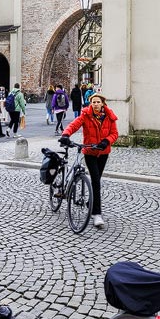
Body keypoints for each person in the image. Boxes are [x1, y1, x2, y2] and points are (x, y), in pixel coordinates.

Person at [60, 93, 118, 229]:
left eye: (98, 102)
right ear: (91, 103)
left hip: (103, 152)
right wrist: (66, 134)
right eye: (93, 102)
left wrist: (106, 141)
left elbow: (114, 134)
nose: (96, 104)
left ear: (103, 103)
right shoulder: (86, 115)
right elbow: (74, 125)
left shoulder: (109, 116)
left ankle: (90, 203)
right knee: (96, 180)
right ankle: (96, 214)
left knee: (96, 180)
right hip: (90, 152)